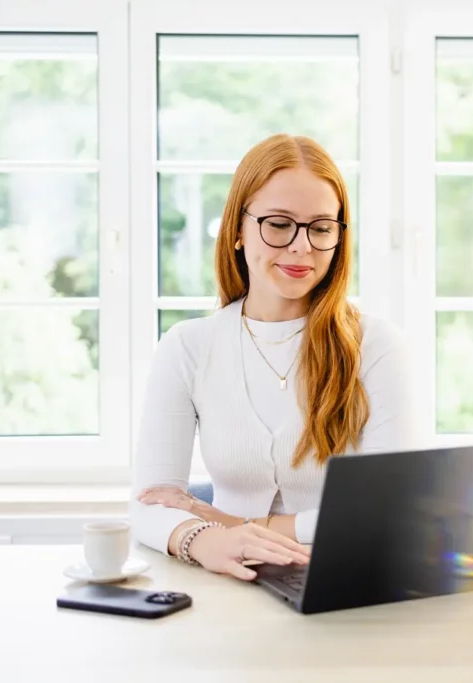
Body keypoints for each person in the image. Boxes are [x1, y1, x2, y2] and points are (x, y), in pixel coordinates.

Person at [129, 133, 416, 581]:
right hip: (225, 585)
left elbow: (390, 510)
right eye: (279, 224)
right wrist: (205, 539)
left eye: (321, 228)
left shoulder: (376, 346)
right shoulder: (187, 347)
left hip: (346, 581)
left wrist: (237, 523)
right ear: (238, 231)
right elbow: (149, 504)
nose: (301, 247)